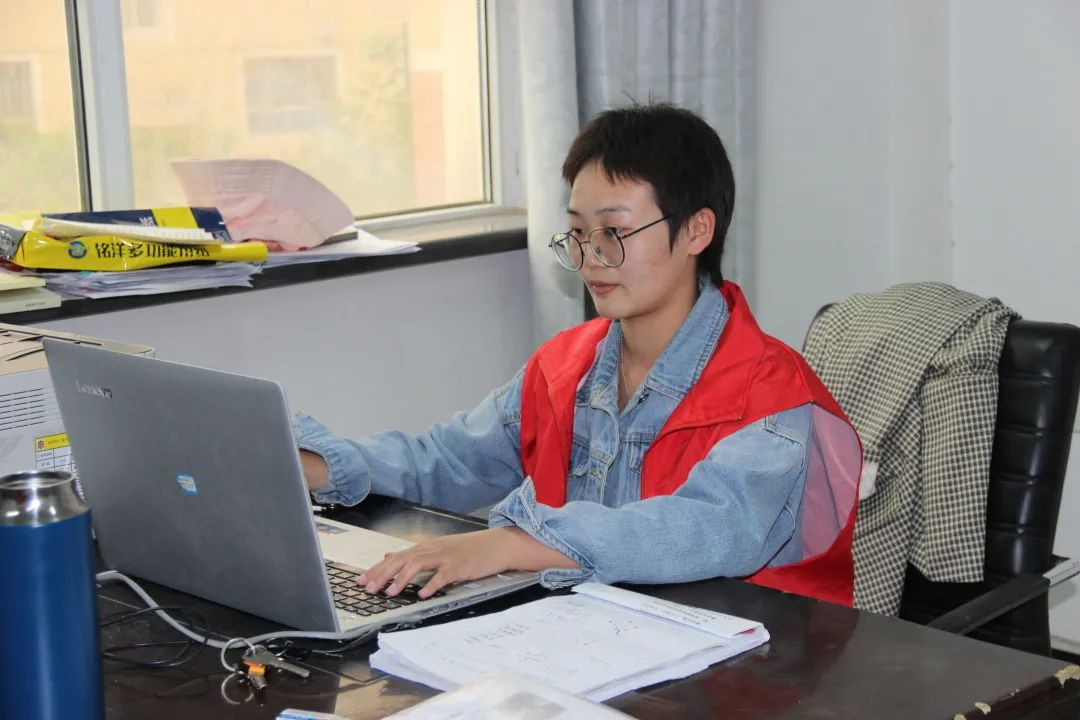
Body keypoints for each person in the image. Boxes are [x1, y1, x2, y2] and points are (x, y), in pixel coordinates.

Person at [296, 103, 861, 605]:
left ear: (696, 231)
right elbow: (452, 459)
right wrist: (319, 467)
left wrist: (515, 544)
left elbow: (705, 528)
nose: (591, 257)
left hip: (747, 665)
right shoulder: (565, 368)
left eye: (614, 231)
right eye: (578, 233)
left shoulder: (772, 394)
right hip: (594, 641)